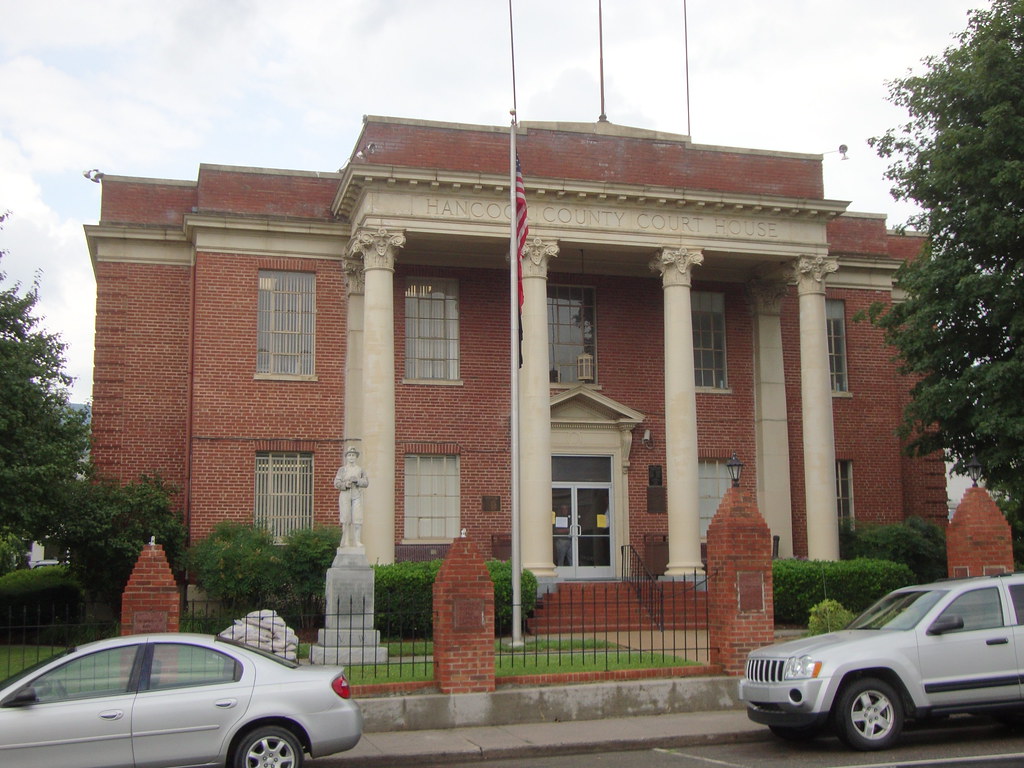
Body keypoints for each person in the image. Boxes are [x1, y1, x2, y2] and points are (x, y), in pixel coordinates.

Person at [334, 447, 369, 548]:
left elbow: (366, 482)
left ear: (356, 457)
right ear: (346, 457)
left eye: (353, 455)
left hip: (356, 494)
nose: (351, 457)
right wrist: (345, 484)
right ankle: (346, 541)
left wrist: (357, 481)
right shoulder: (342, 470)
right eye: (349, 455)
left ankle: (357, 541)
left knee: (357, 518)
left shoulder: (360, 470)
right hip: (345, 494)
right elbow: (336, 483)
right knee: (346, 518)